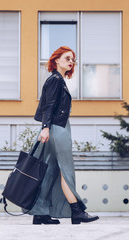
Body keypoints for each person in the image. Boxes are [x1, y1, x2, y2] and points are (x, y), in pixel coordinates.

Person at [31, 46, 99, 225]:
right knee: (65, 169)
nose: (71, 62)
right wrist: (45, 128)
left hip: (56, 127)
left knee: (50, 170)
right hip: (57, 129)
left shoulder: (58, 80)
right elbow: (49, 106)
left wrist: (47, 128)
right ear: (56, 60)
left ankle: (40, 213)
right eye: (67, 58)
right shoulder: (55, 80)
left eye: (73, 59)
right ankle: (77, 211)